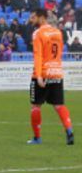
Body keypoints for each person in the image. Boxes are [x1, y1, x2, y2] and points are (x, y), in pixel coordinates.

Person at [27, 9, 73, 145]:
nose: (31, 20)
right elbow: (59, 53)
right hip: (57, 72)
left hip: (43, 73)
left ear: (42, 18)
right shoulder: (58, 32)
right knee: (59, 105)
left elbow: (38, 55)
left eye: (33, 17)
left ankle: (37, 138)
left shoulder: (38, 33)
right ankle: (69, 130)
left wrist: (39, 75)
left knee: (35, 106)